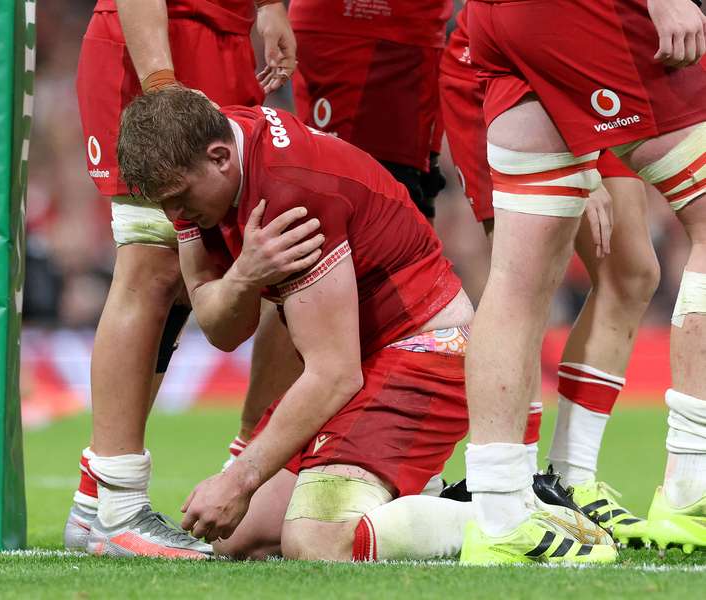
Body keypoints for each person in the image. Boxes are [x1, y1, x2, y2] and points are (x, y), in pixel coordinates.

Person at [115, 88, 617, 563]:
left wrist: (242, 475)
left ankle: (518, 513)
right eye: (164, 203)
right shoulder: (199, 165)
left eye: (178, 199)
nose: (174, 214)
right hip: (363, 360)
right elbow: (223, 330)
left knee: (319, 541)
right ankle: (425, 495)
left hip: (424, 348)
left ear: (221, 157)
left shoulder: (289, 193)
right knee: (236, 539)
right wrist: (245, 275)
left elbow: (333, 373)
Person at [460, 0, 706, 563]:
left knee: (519, 275)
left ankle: (500, 516)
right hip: (576, 12)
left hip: (496, 22)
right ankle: (694, 491)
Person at [65, 0, 297, 558]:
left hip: (220, 43)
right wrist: (161, 83)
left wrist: (268, 7)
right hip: (159, 46)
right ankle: (116, 505)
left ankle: (96, 499)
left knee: (185, 271)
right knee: (152, 267)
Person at [287, 0, 449, 221]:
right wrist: (269, 6)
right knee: (370, 202)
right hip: (363, 30)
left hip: (416, 32)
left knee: (414, 195)